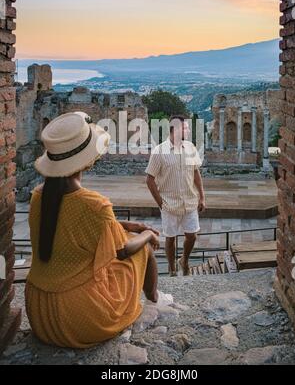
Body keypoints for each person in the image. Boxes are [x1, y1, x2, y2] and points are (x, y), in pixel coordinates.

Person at [25, 111, 161, 349]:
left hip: (40, 313)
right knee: (143, 249)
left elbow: (75, 226)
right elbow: (123, 250)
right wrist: (148, 233)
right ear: (88, 160)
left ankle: (154, 296)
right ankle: (155, 298)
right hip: (80, 316)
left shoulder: (38, 196)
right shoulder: (94, 204)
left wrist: (131, 225)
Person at [146, 115, 206, 276]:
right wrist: (160, 202)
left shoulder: (191, 148)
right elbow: (149, 179)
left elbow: (195, 173)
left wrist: (202, 196)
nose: (188, 130)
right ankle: (172, 268)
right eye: (185, 128)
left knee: (192, 235)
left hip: (189, 201)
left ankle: (184, 260)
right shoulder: (159, 151)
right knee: (170, 238)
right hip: (169, 203)